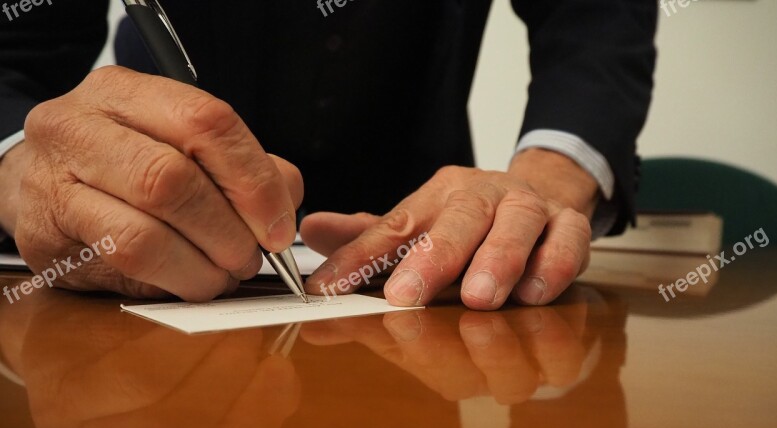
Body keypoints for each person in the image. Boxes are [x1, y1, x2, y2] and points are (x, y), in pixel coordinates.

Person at [0, 1, 657, 310]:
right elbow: (17, 52)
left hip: (428, 260)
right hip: (138, 241)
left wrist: (544, 180)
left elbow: (595, 19)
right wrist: (21, 165)